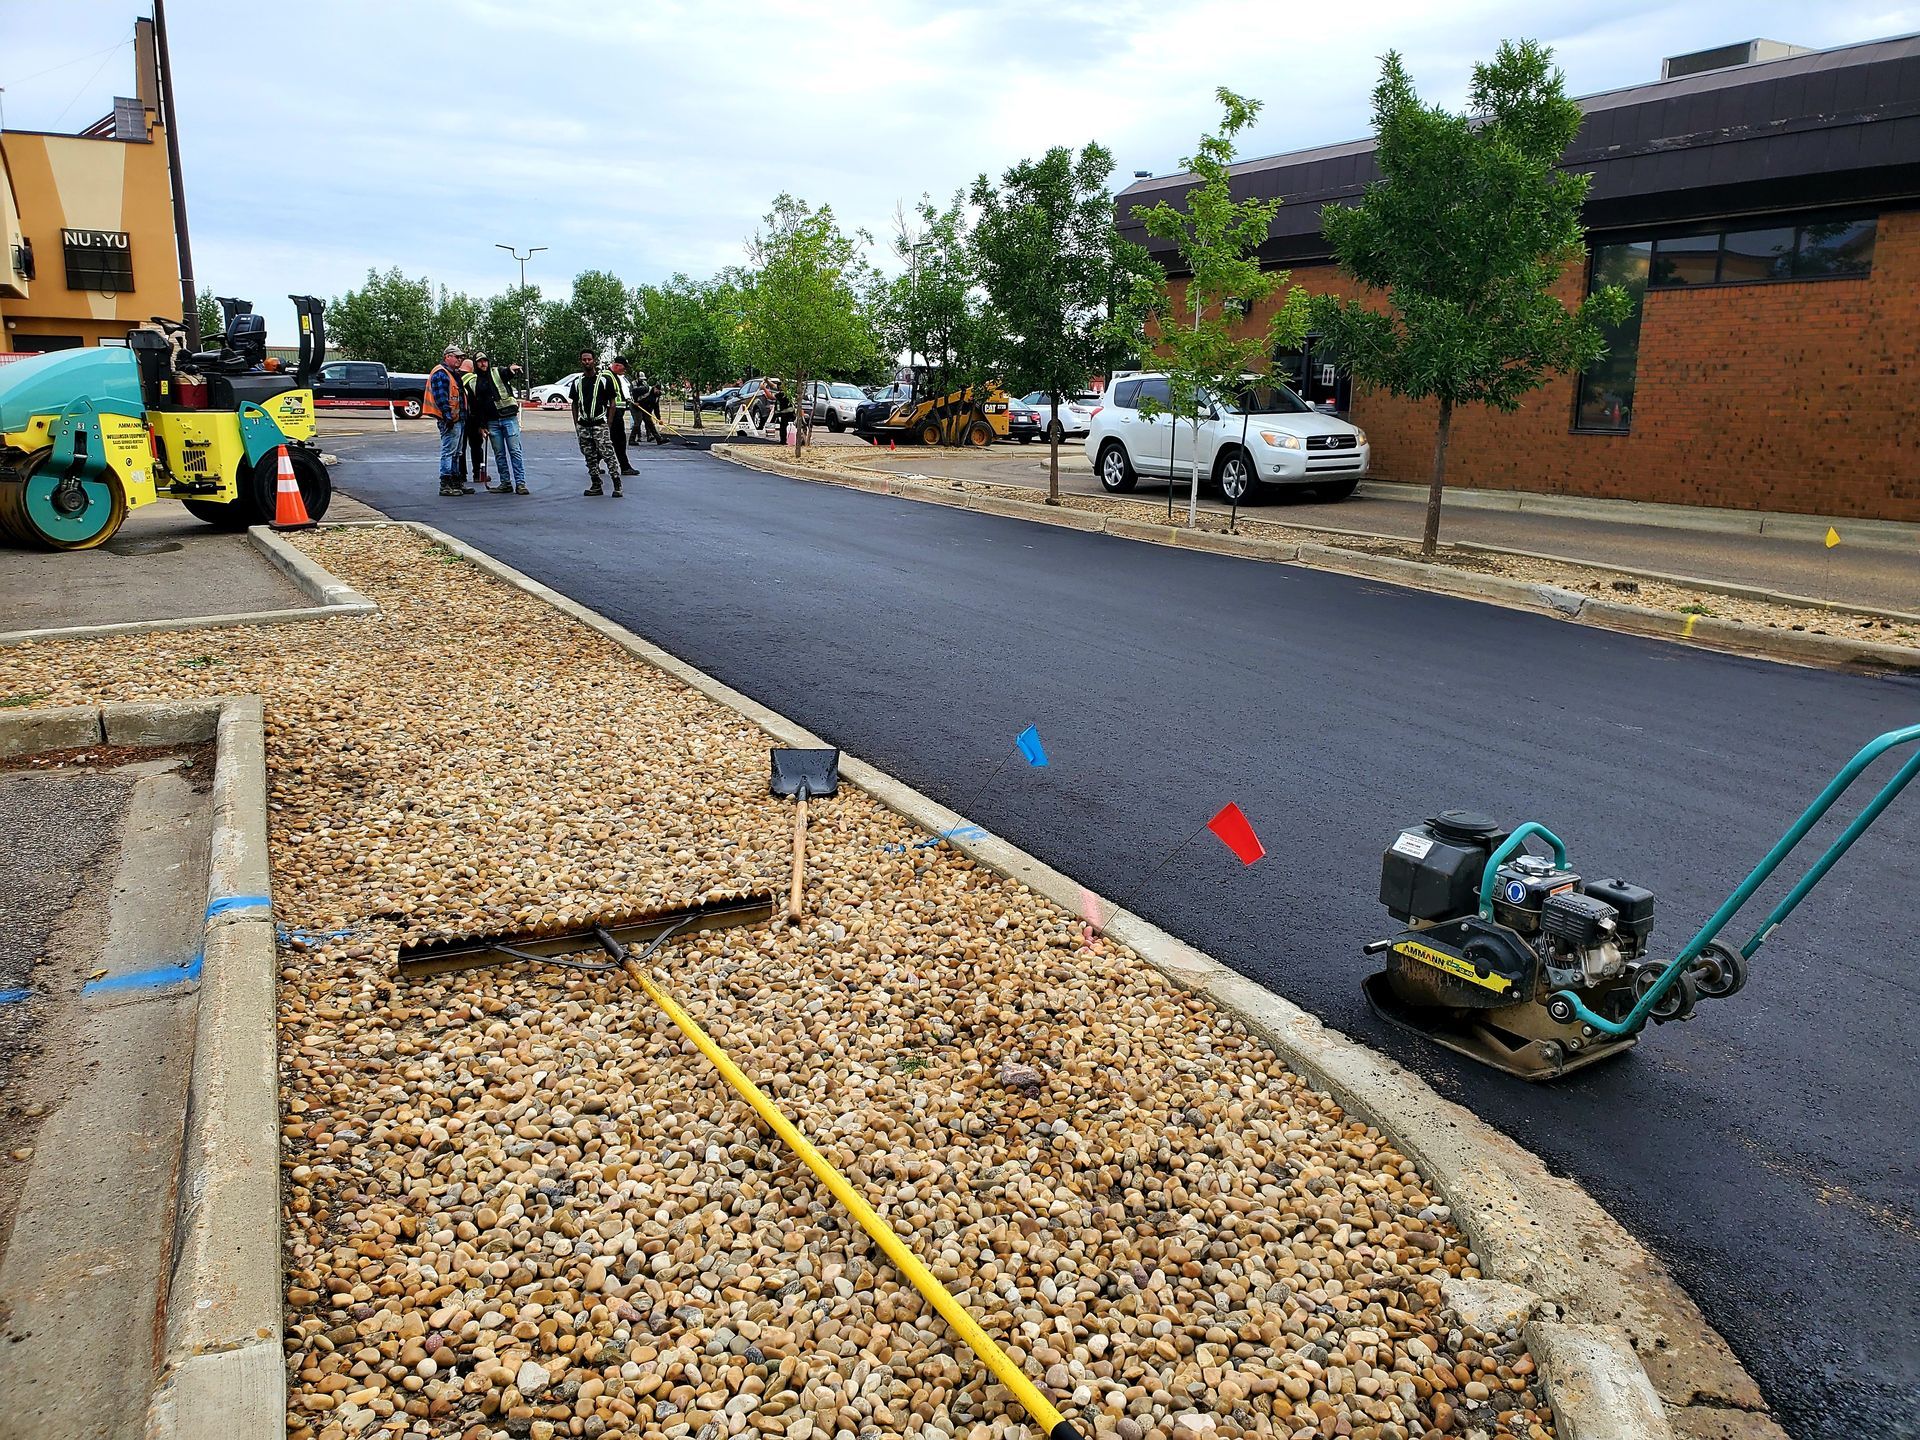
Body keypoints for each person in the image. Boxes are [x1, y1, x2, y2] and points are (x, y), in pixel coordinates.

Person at [463, 351, 528, 494]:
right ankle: (506, 483)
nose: (483, 364)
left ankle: (520, 484)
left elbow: (507, 373)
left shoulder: (497, 372)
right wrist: (481, 426)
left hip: (508, 418)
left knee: (515, 451)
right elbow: (476, 406)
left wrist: (511, 370)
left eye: (485, 360)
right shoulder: (475, 382)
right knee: (499, 454)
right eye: (479, 361)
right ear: (475, 364)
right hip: (492, 422)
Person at [569, 350, 622, 497]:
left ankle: (617, 484)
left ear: (594, 361)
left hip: (600, 423)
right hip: (583, 425)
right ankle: (596, 484)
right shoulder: (577, 382)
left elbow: (612, 402)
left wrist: (609, 423)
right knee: (589, 456)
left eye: (589, 359)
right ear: (581, 361)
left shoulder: (604, 380)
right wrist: (576, 424)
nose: (587, 362)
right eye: (584, 360)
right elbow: (574, 403)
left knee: (608, 454)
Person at [422, 344, 470, 496]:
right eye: (457, 357)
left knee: (456, 453)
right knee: (449, 452)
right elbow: (441, 398)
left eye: (461, 357)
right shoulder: (441, 373)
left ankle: (456, 482)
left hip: (458, 418)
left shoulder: (452, 373)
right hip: (450, 419)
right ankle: (446, 484)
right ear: (447, 357)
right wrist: (447, 416)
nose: (460, 360)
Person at [458, 356, 491, 490]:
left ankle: (461, 474)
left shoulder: (455, 377)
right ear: (471, 368)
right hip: (473, 418)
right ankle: (478, 473)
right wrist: (483, 423)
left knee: (460, 448)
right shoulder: (473, 379)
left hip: (460, 417)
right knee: (476, 446)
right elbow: (480, 400)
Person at [607, 357, 640, 477]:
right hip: (613, 414)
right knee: (619, 441)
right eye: (624, 367)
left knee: (608, 441)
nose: (625, 370)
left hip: (616, 413)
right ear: (616, 366)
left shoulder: (613, 377)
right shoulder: (608, 377)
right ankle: (625, 467)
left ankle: (594, 463)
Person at [630, 371, 667, 444]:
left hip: (644, 408)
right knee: (638, 422)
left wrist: (659, 419)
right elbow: (634, 391)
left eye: (660, 392)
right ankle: (631, 440)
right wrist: (635, 401)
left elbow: (656, 408)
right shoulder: (646, 389)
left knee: (650, 422)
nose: (659, 393)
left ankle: (659, 439)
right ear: (655, 388)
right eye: (658, 391)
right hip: (636, 406)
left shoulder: (657, 397)